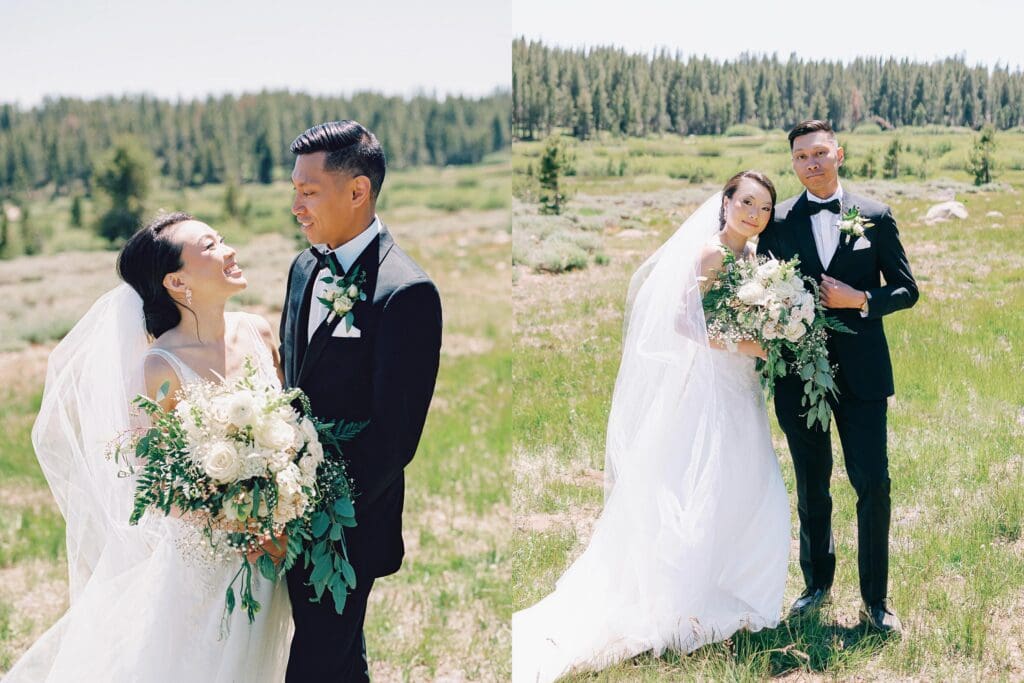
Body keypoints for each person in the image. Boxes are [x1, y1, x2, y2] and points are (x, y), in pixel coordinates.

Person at [512, 172, 789, 682]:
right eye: (746, 202)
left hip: (743, 388)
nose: (755, 213)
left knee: (746, 484)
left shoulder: (753, 259)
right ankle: (681, 599)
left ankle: (730, 586)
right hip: (710, 387)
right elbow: (684, 322)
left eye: (765, 207)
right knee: (698, 485)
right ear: (726, 203)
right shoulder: (712, 254)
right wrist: (745, 345)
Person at [5, 212, 292, 682]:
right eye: (211, 246)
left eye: (221, 239)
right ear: (178, 281)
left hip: (276, 551)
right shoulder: (162, 368)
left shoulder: (259, 333)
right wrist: (244, 525)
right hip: (208, 565)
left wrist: (281, 505)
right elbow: (159, 484)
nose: (229, 251)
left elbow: (288, 432)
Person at [279, 120, 442, 681]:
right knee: (340, 663)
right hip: (282, 510)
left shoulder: (407, 291)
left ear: (357, 191)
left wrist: (316, 508)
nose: (296, 205)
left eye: (308, 191)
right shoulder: (304, 267)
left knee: (315, 662)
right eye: (294, 189)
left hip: (347, 525)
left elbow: (395, 438)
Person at [757, 120, 918, 634]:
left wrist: (862, 300)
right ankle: (816, 586)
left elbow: (907, 289)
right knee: (812, 484)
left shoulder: (874, 216)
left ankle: (876, 601)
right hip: (799, 378)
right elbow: (758, 290)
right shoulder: (776, 221)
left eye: (820, 153)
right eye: (801, 156)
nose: (811, 163)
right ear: (793, 164)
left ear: (839, 154)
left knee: (873, 483)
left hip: (865, 376)